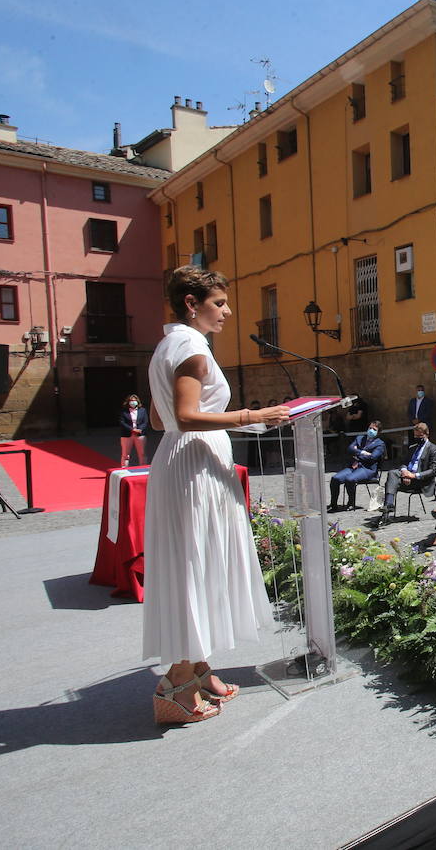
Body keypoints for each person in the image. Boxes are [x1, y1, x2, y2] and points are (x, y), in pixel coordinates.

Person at [143, 265, 289, 724]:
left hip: (183, 461)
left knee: (199, 563)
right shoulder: (191, 347)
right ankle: (175, 687)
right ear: (192, 303)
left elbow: (156, 418)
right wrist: (253, 414)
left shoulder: (169, 344)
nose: (227, 311)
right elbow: (185, 415)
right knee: (197, 565)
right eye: (219, 303)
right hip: (195, 469)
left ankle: (198, 666)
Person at [376, 421, 436, 525]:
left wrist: (413, 475)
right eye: (415, 435)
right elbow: (403, 463)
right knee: (392, 474)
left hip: (421, 481)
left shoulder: (434, 449)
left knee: (391, 480)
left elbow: (433, 471)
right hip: (407, 477)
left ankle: (386, 510)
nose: (417, 438)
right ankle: (388, 508)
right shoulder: (412, 448)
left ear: (426, 434)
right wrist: (405, 471)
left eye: (420, 435)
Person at [328, 420, 386, 512]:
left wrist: (356, 454)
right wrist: (362, 452)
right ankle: (333, 504)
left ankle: (351, 503)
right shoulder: (360, 438)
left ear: (378, 432)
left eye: (374, 429)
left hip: (367, 468)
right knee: (335, 478)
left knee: (350, 479)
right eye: (370, 428)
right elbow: (350, 448)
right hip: (354, 466)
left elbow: (372, 457)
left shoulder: (380, 444)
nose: (371, 430)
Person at [119, 393, 150, 466]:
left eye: (134, 401)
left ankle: (143, 469)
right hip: (127, 435)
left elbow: (145, 421)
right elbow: (122, 422)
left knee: (142, 453)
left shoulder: (142, 410)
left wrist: (140, 429)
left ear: (137, 402)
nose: (133, 402)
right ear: (128, 402)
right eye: (131, 401)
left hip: (140, 435)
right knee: (125, 454)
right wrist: (132, 430)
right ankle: (124, 469)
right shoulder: (124, 411)